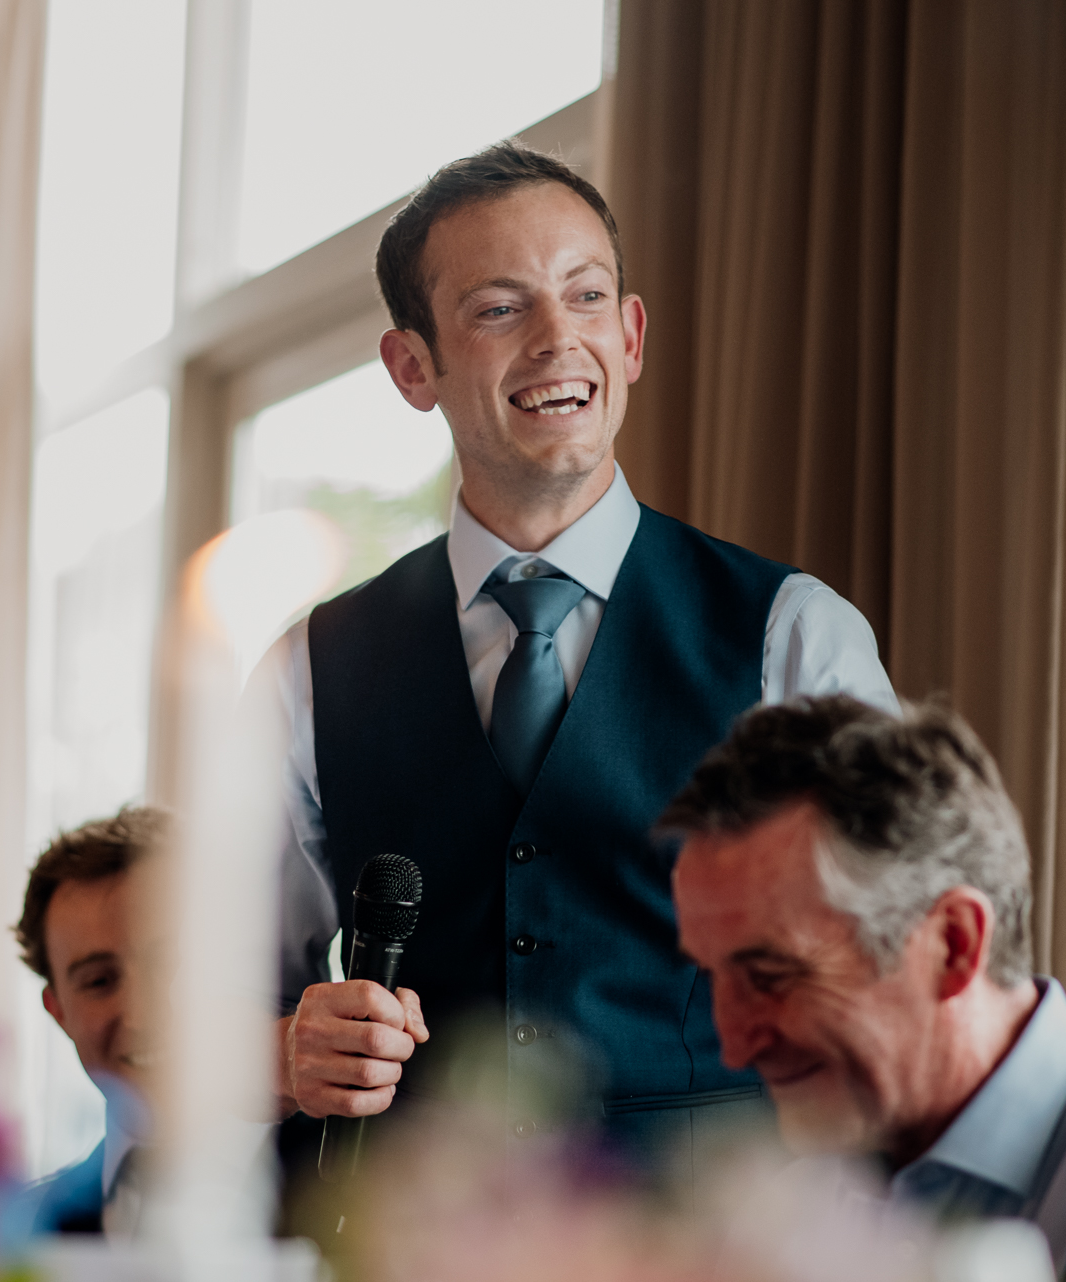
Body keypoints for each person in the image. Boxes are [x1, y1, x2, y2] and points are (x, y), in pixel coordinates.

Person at [257, 141, 898, 1164]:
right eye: (500, 308)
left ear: (631, 335)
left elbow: (895, 973)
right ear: (413, 366)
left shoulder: (794, 634)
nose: (560, 339)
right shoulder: (305, 671)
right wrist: (285, 1050)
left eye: (587, 296)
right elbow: (221, 1010)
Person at [664, 695, 1066, 1282]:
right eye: (711, 975)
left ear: (954, 944)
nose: (732, 1046)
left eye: (771, 978)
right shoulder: (810, 1176)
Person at [15, 806, 168, 1236]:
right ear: (58, 1011)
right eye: (100, 981)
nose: (142, 1015)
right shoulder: (20, 1233)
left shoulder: (347, 1192)